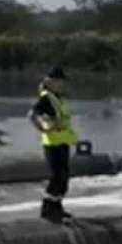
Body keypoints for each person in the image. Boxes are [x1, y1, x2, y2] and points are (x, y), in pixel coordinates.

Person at [28, 67, 79, 223]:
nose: (61, 84)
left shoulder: (57, 98)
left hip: (62, 142)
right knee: (57, 177)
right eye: (58, 81)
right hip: (53, 143)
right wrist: (43, 128)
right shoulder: (46, 98)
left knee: (63, 178)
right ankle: (48, 208)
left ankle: (57, 207)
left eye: (62, 81)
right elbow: (32, 114)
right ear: (50, 82)